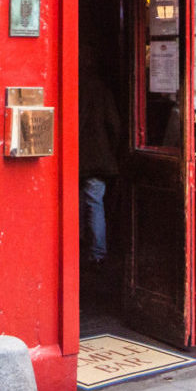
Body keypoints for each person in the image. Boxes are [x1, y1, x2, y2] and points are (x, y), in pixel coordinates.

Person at [79, 64, 123, 267]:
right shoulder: (102, 91)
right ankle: (97, 253)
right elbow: (114, 125)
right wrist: (111, 151)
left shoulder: (77, 87)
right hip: (97, 158)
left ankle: (79, 245)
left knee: (76, 203)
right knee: (94, 202)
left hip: (77, 157)